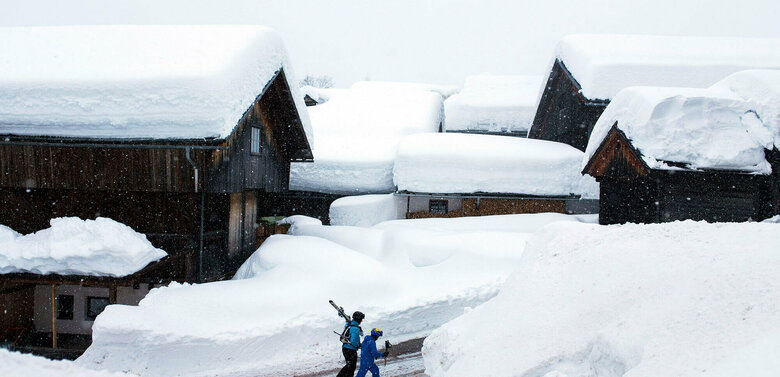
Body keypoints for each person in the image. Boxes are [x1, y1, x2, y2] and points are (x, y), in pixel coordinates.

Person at [336, 311, 364, 377]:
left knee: (349, 365)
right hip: (351, 350)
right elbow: (353, 341)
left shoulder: (349, 325)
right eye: (361, 319)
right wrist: (358, 345)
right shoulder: (355, 329)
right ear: (358, 319)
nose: (361, 321)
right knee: (351, 367)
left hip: (345, 348)